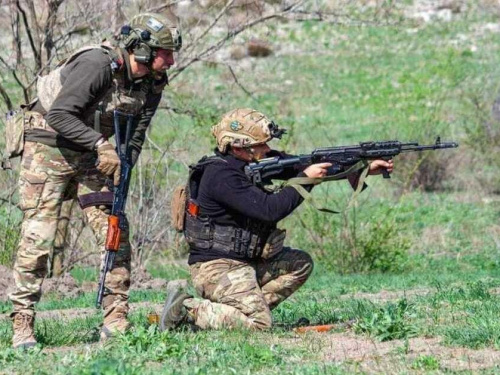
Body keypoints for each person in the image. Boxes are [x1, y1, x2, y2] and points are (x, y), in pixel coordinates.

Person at [9, 13, 182, 348]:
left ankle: (115, 316)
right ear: (142, 50)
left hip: (94, 156)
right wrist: (101, 145)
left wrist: (123, 171)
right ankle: (22, 322)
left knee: (114, 229)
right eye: (166, 53)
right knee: (38, 236)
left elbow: (135, 135)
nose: (172, 61)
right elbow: (59, 114)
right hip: (49, 148)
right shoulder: (97, 65)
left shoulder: (152, 81)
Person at [160, 108, 394, 331]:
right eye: (260, 144)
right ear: (240, 146)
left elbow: (302, 165)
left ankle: (235, 313)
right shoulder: (221, 175)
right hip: (217, 267)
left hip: (246, 262)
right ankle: (188, 309)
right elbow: (269, 209)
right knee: (260, 326)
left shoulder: (249, 164)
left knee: (299, 264)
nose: (267, 148)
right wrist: (306, 180)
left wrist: (358, 167)